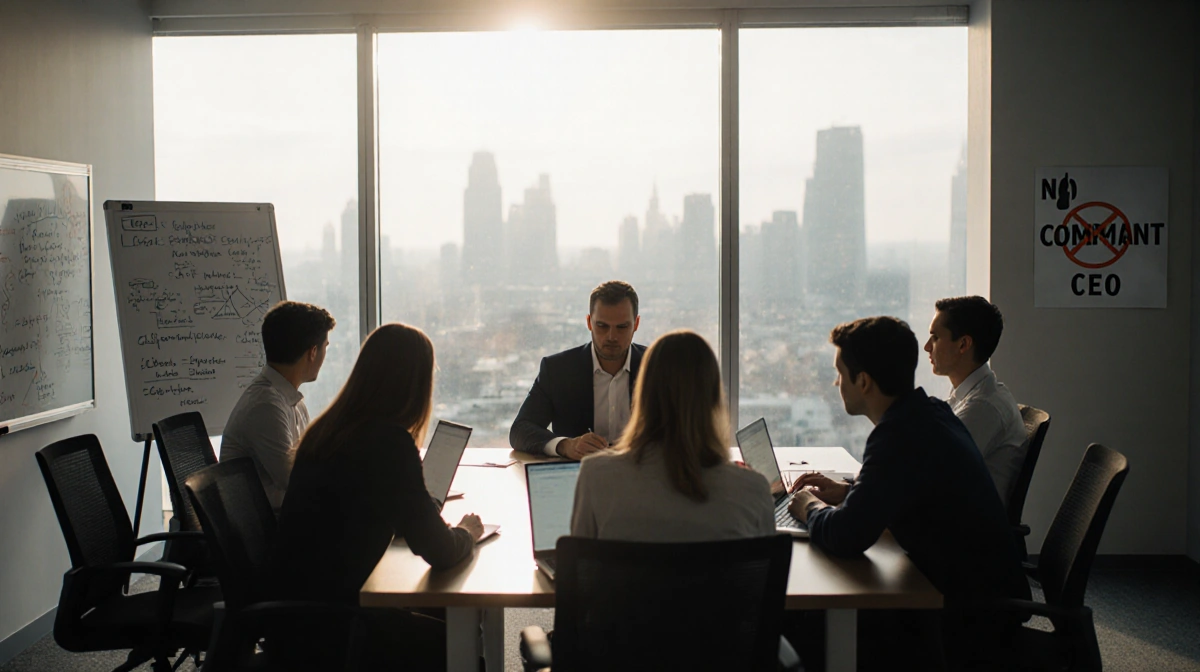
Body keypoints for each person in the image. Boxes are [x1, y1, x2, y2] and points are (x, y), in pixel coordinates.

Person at [787, 316, 1029, 670]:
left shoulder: (897, 437)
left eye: (841, 373)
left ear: (864, 381)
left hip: (964, 615)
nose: (837, 382)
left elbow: (846, 535)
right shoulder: (931, 413)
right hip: (978, 591)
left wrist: (808, 507)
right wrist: (850, 491)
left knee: (802, 626)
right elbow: (907, 485)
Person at [268, 323, 484, 671]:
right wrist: (467, 533)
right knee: (461, 641)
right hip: (337, 626)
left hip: (297, 616)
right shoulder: (388, 442)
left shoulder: (329, 429)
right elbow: (440, 551)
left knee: (445, 612)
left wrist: (420, 505)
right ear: (415, 384)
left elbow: (377, 508)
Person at [571, 330, 775, 541]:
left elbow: (579, 569)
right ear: (714, 400)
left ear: (643, 396)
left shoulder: (596, 477)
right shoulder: (753, 490)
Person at [510, 280, 648, 460]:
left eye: (622, 327)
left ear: (636, 324)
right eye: (602, 326)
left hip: (642, 477)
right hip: (576, 478)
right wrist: (565, 445)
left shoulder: (658, 367)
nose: (611, 336)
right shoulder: (558, 370)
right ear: (589, 322)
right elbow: (520, 429)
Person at [221, 300, 335, 510]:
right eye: (325, 347)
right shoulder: (266, 405)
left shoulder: (287, 398)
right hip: (268, 530)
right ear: (312, 352)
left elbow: (309, 460)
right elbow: (296, 482)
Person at [924, 296, 1027, 506]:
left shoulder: (983, 407)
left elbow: (931, 478)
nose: (927, 347)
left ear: (963, 344)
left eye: (935, 338)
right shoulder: (968, 396)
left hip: (960, 533)